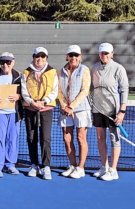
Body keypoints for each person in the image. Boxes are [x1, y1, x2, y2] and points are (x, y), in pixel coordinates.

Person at [91, 43, 129, 181]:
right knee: (100, 137)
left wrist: (122, 112)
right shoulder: (94, 68)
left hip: (113, 110)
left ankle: (113, 170)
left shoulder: (118, 68)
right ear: (99, 54)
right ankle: (104, 167)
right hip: (98, 109)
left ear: (112, 54)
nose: (104, 55)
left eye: (107, 53)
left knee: (114, 138)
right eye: (102, 53)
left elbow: (124, 89)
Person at [21, 47, 58, 180]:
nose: (40, 59)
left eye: (43, 56)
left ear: (46, 58)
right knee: (31, 137)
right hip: (30, 109)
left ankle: (46, 166)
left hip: (46, 109)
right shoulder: (26, 73)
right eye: (37, 56)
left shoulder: (53, 72)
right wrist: (32, 102)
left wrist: (44, 102)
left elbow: (55, 90)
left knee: (45, 138)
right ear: (33, 57)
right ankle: (34, 165)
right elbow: (24, 91)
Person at [58, 45, 91, 179]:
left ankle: (80, 168)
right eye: (71, 55)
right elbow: (59, 91)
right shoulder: (61, 72)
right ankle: (72, 165)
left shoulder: (85, 70)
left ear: (80, 57)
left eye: (76, 55)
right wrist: (65, 106)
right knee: (67, 139)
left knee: (80, 138)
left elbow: (85, 90)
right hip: (66, 110)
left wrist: (72, 107)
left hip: (81, 109)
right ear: (67, 56)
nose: (73, 58)